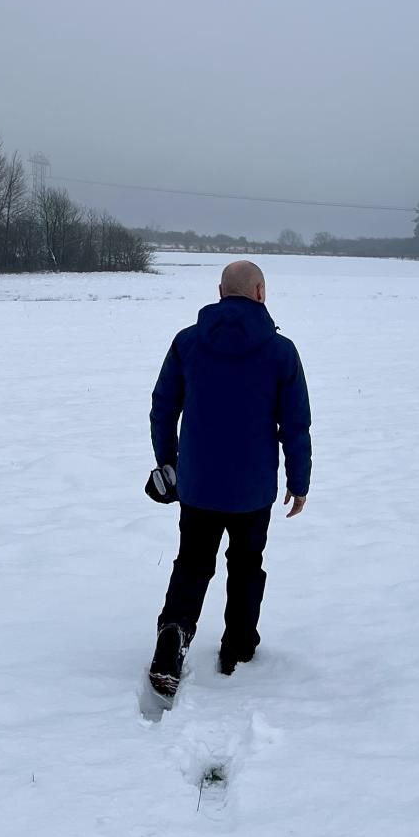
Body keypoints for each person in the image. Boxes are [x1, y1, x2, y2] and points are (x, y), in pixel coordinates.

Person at [144, 260, 312, 699]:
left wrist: (168, 464)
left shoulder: (187, 342)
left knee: (192, 563)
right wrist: (300, 481)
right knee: (246, 566)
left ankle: (174, 632)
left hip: (198, 483)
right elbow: (295, 424)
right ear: (261, 293)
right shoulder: (281, 352)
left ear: (221, 292)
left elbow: (163, 408)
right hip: (253, 489)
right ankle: (237, 648)